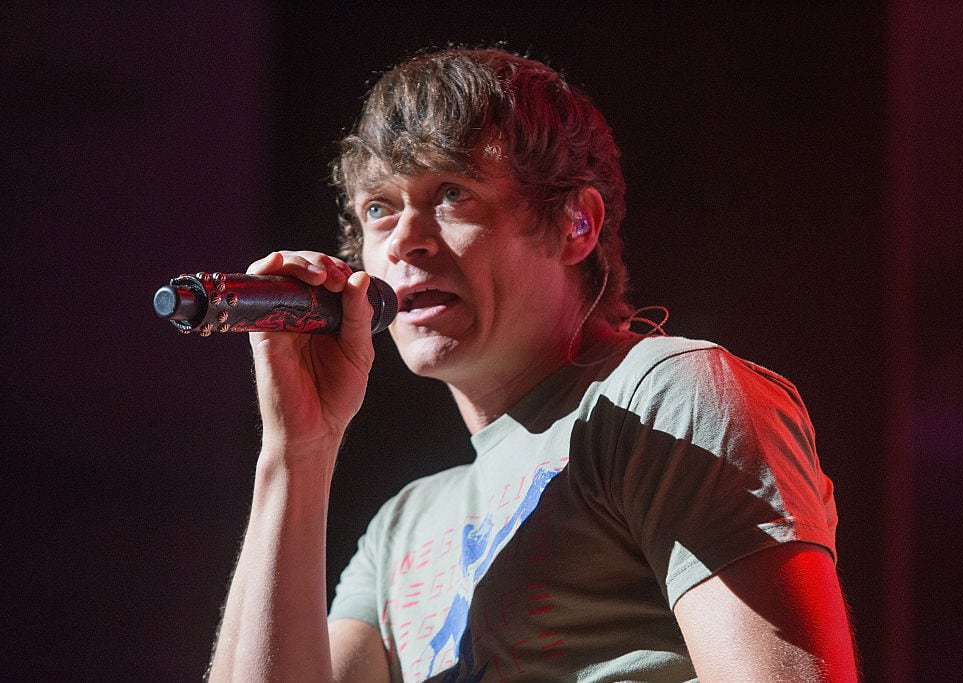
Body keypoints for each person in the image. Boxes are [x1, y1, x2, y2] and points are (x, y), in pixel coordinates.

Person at [207, 47, 858, 681]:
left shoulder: (664, 397)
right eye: (379, 207)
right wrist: (297, 451)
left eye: (452, 193)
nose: (403, 240)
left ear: (576, 223)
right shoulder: (401, 526)